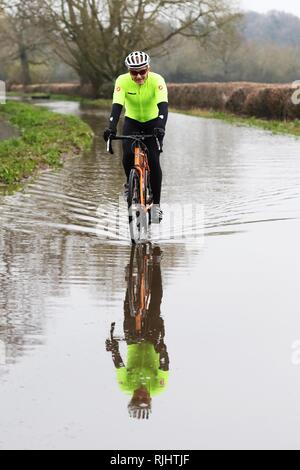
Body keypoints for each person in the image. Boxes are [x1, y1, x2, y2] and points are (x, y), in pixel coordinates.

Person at [103, 51, 169, 223]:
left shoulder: (157, 80)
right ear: (129, 71)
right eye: (134, 72)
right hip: (132, 121)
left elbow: (163, 106)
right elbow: (117, 106)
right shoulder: (122, 81)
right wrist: (111, 127)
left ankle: (156, 207)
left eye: (142, 71)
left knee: (154, 161)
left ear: (148, 68)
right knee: (127, 156)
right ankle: (130, 184)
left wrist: (161, 127)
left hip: (154, 122)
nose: (138, 76)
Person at [106, 245, 169, 420]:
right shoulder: (158, 387)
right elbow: (164, 366)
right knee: (156, 302)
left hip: (133, 341)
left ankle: (130, 284)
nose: (140, 394)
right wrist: (162, 351)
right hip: (152, 341)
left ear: (131, 397)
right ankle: (156, 265)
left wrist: (114, 349)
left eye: (137, 397)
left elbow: (119, 365)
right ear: (150, 399)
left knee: (128, 309)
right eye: (143, 398)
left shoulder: (125, 386)